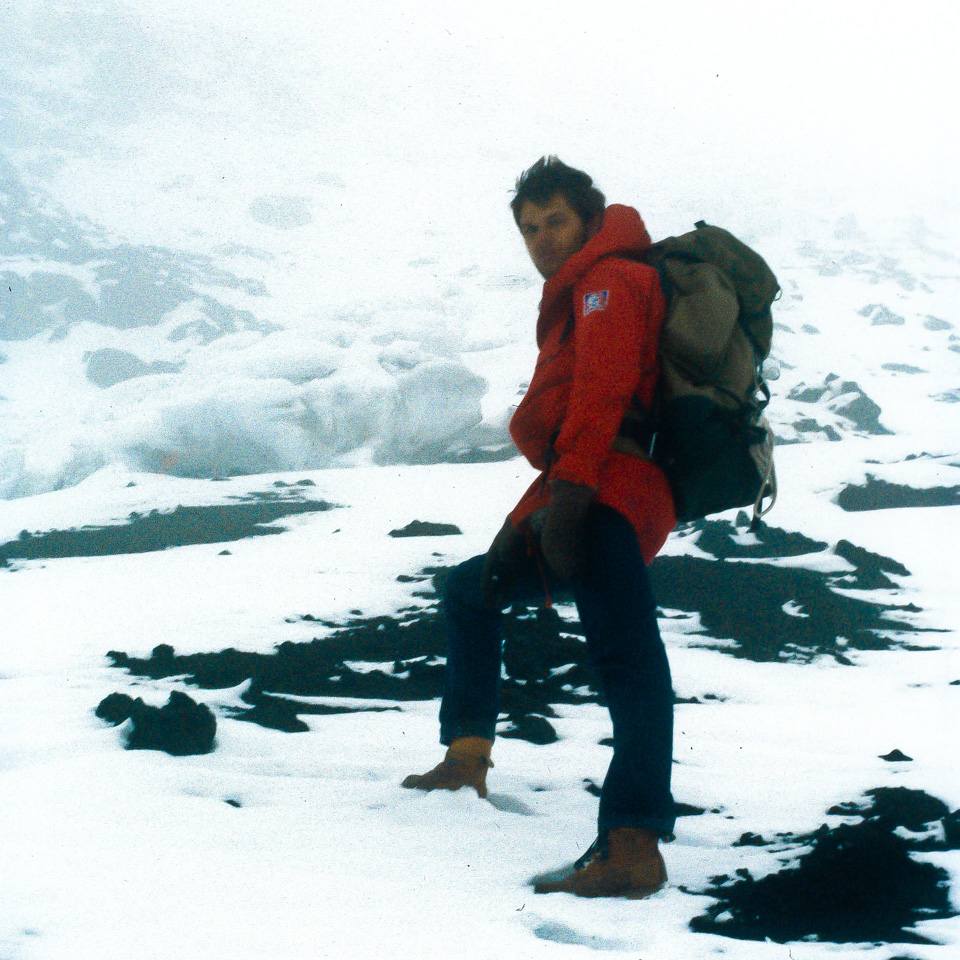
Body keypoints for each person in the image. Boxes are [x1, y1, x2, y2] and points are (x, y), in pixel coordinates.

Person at [401, 156, 677, 899]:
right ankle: (466, 761)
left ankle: (633, 847)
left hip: (608, 495)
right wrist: (531, 518)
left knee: (627, 659)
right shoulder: (580, 290)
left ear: (588, 220)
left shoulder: (607, 282)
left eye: (555, 222)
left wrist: (571, 503)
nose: (542, 238)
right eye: (529, 228)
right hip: (581, 490)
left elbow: (601, 396)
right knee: (470, 592)